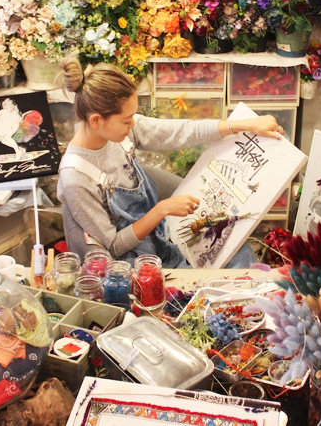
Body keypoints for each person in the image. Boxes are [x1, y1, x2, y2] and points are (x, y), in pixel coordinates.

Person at [56, 58, 284, 269]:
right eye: (127, 120)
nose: (133, 124)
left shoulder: (118, 133)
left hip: (161, 235)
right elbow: (113, 246)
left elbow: (180, 131)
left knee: (236, 250)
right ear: (96, 120)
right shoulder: (75, 178)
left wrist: (243, 125)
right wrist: (162, 210)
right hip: (135, 263)